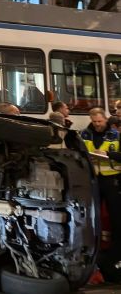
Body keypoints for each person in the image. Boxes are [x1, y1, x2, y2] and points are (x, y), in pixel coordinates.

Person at [82, 108, 121, 264]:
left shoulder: (116, 135)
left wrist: (108, 155)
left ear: (105, 120)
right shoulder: (84, 135)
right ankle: (95, 249)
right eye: (94, 122)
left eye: (100, 121)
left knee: (116, 217)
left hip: (112, 180)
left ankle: (116, 251)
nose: (97, 124)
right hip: (93, 180)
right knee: (93, 216)